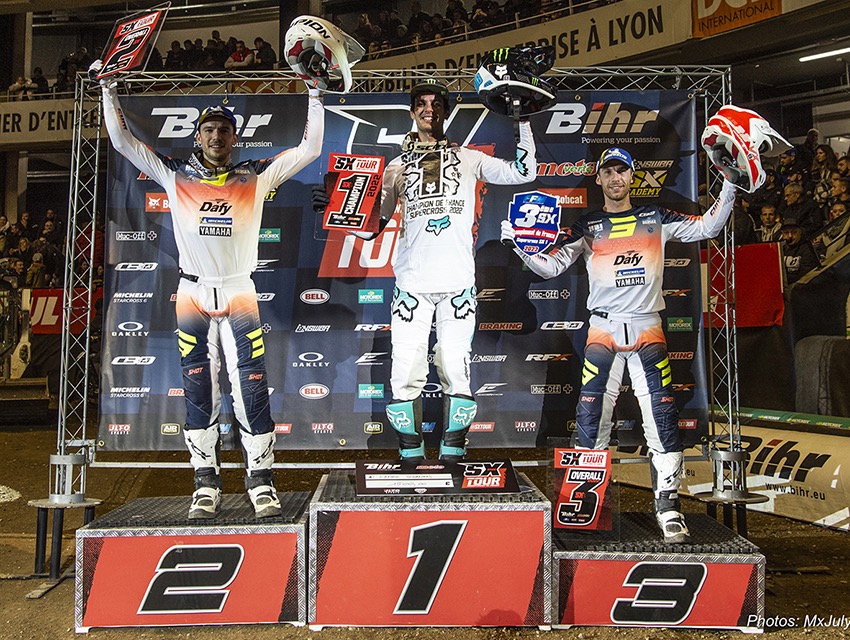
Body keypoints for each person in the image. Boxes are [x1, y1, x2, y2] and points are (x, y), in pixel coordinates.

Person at [91, 58, 325, 519]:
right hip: (193, 295)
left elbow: (310, 149)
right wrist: (108, 89)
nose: (217, 136)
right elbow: (122, 141)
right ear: (197, 137)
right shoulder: (174, 173)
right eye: (209, 130)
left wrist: (315, 94)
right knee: (198, 388)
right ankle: (205, 483)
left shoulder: (256, 175)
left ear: (235, 138)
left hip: (239, 292)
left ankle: (261, 482)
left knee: (251, 389)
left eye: (224, 130)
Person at [501, 147, 738, 543]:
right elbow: (551, 267)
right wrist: (519, 246)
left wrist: (729, 183)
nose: (615, 178)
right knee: (592, 419)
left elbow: (709, 227)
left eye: (621, 171)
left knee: (661, 419)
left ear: (632, 176)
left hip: (648, 329)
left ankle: (668, 507)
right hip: (603, 330)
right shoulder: (588, 225)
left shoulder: (656, 217)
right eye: (608, 172)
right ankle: (585, 509)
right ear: (599, 178)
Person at [315, 78, 537, 463]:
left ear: (446, 111)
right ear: (412, 110)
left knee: (456, 369)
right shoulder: (396, 166)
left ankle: (454, 452)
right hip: (412, 286)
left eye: (436, 103)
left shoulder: (469, 158)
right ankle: (410, 455)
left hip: (457, 285)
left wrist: (522, 119)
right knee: (404, 373)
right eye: (421, 102)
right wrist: (336, 207)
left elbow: (523, 171)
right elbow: (372, 227)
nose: (429, 109)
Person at [780, 219, 820, 284]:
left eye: (794, 232)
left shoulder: (808, 248)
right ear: (782, 234)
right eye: (786, 232)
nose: (790, 236)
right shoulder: (780, 248)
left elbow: (806, 274)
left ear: (800, 232)